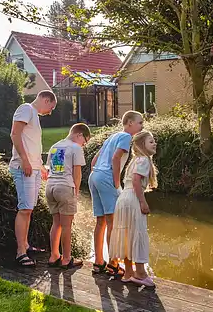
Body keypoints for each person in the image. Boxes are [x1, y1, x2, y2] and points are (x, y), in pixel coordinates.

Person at [88, 110, 144, 276]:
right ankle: (113, 263)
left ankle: (98, 262)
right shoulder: (126, 137)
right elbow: (115, 159)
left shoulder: (112, 136)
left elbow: (94, 160)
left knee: (100, 222)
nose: (142, 126)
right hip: (106, 177)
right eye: (140, 122)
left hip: (95, 175)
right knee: (113, 221)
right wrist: (116, 182)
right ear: (129, 123)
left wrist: (97, 175)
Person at [9, 90, 57, 267]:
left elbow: (32, 143)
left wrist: (40, 166)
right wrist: (24, 160)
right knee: (25, 209)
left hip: (34, 168)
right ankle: (20, 252)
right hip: (23, 168)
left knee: (29, 209)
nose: (50, 112)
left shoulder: (33, 116)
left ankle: (26, 245)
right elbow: (15, 134)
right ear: (45, 99)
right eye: (50, 107)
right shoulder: (26, 109)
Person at [110, 131, 158, 287]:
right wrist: (143, 202)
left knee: (126, 234)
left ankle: (129, 272)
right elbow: (137, 181)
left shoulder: (135, 161)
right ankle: (140, 274)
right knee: (138, 233)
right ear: (141, 145)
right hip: (132, 199)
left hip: (123, 198)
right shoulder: (144, 160)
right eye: (151, 142)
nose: (155, 143)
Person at [45, 123, 91, 268]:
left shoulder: (55, 146)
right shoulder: (75, 148)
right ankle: (66, 259)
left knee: (56, 223)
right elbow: (77, 173)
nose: (83, 145)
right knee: (66, 225)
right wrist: (76, 192)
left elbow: (49, 169)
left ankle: (53, 256)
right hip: (65, 187)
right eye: (85, 141)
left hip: (50, 187)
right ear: (79, 134)